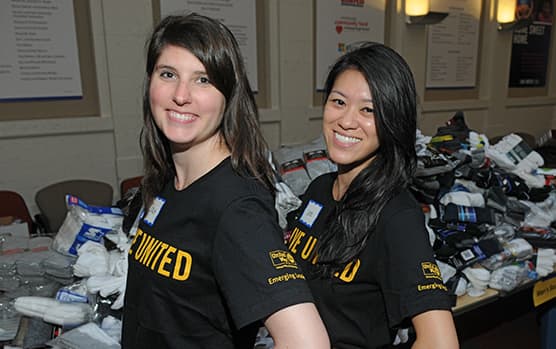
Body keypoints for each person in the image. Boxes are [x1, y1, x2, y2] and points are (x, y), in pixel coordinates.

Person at [122, 13, 329, 349]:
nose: (181, 95)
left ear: (228, 94)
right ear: (150, 82)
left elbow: (308, 342)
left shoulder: (236, 207)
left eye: (203, 80)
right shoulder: (168, 181)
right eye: (168, 74)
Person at [286, 42, 459, 348]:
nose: (347, 120)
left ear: (393, 120)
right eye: (339, 102)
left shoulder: (396, 215)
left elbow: (440, 342)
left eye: (368, 110)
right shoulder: (319, 190)